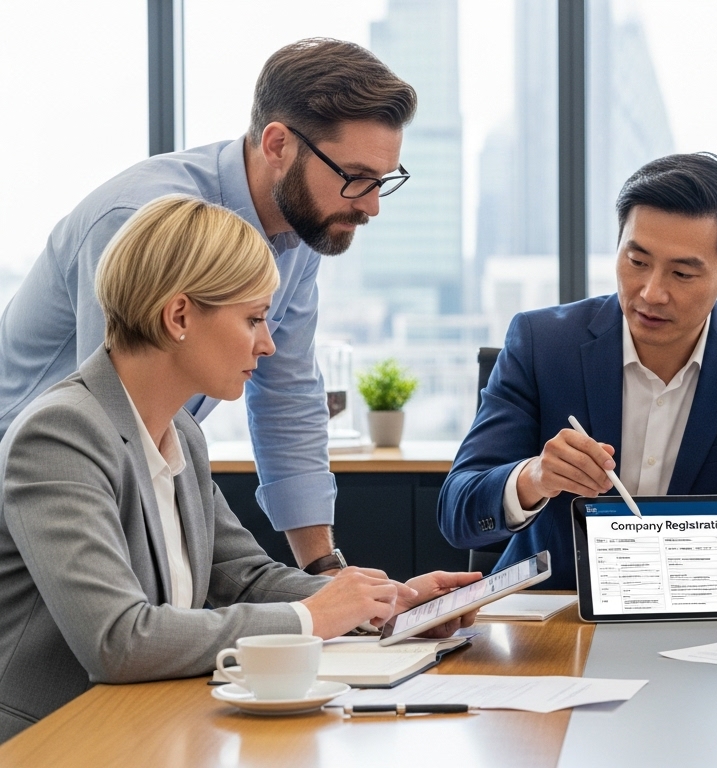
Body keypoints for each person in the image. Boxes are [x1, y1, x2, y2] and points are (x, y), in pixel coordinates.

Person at [0, 196, 479, 744]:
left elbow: (245, 578)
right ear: (178, 316)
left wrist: (379, 604)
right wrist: (314, 618)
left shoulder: (180, 432)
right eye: (253, 319)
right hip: (56, 741)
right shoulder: (60, 434)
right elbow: (119, 639)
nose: (269, 343)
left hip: (153, 728)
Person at [0, 38, 417, 573]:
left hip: (126, 481)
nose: (371, 205)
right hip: (36, 495)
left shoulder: (299, 228)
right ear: (277, 144)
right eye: (355, 178)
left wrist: (325, 574)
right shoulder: (142, 220)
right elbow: (114, 416)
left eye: (383, 181)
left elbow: (286, 393)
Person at [438, 153, 717, 600]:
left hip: (707, 619)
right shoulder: (542, 344)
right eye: (637, 261)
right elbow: (458, 512)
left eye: (682, 273)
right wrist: (535, 478)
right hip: (554, 617)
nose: (651, 292)